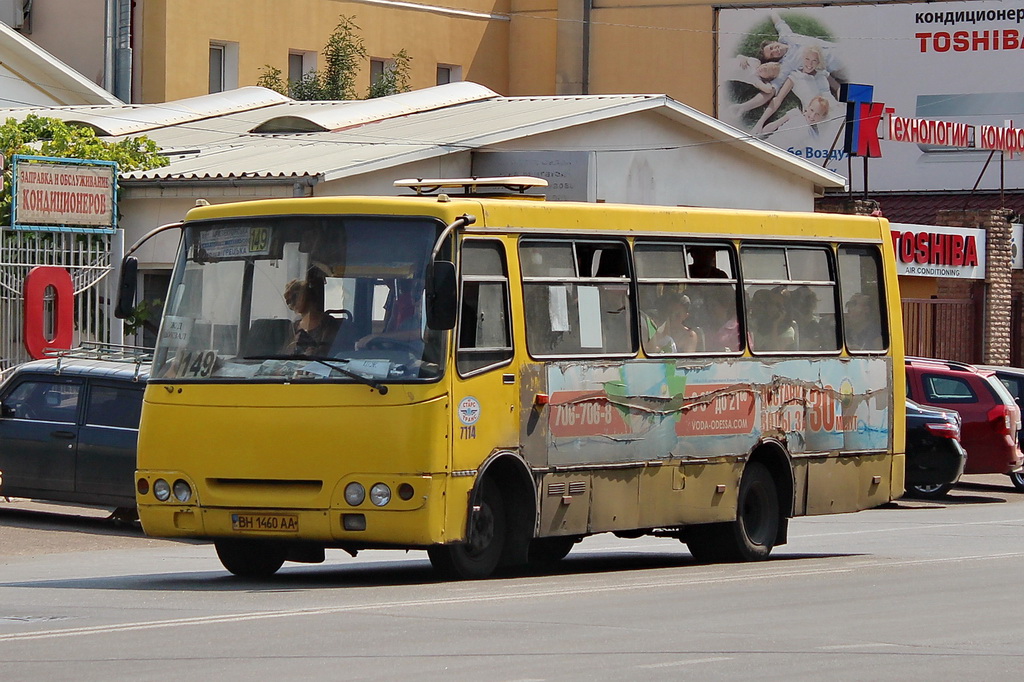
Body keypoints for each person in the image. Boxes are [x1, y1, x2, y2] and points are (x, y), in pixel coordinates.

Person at [753, 46, 838, 136]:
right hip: (818, 116)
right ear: (802, 58)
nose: (810, 64)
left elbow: (838, 87)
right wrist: (760, 122)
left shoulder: (822, 73)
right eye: (807, 59)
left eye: (814, 60)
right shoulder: (795, 76)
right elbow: (777, 100)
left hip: (837, 107)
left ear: (818, 62)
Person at [283, 277, 340, 356]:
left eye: (295, 296)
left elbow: (327, 352)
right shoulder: (295, 325)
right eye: (289, 299)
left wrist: (314, 352)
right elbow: (285, 353)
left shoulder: (328, 323)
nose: (291, 301)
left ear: (308, 297)